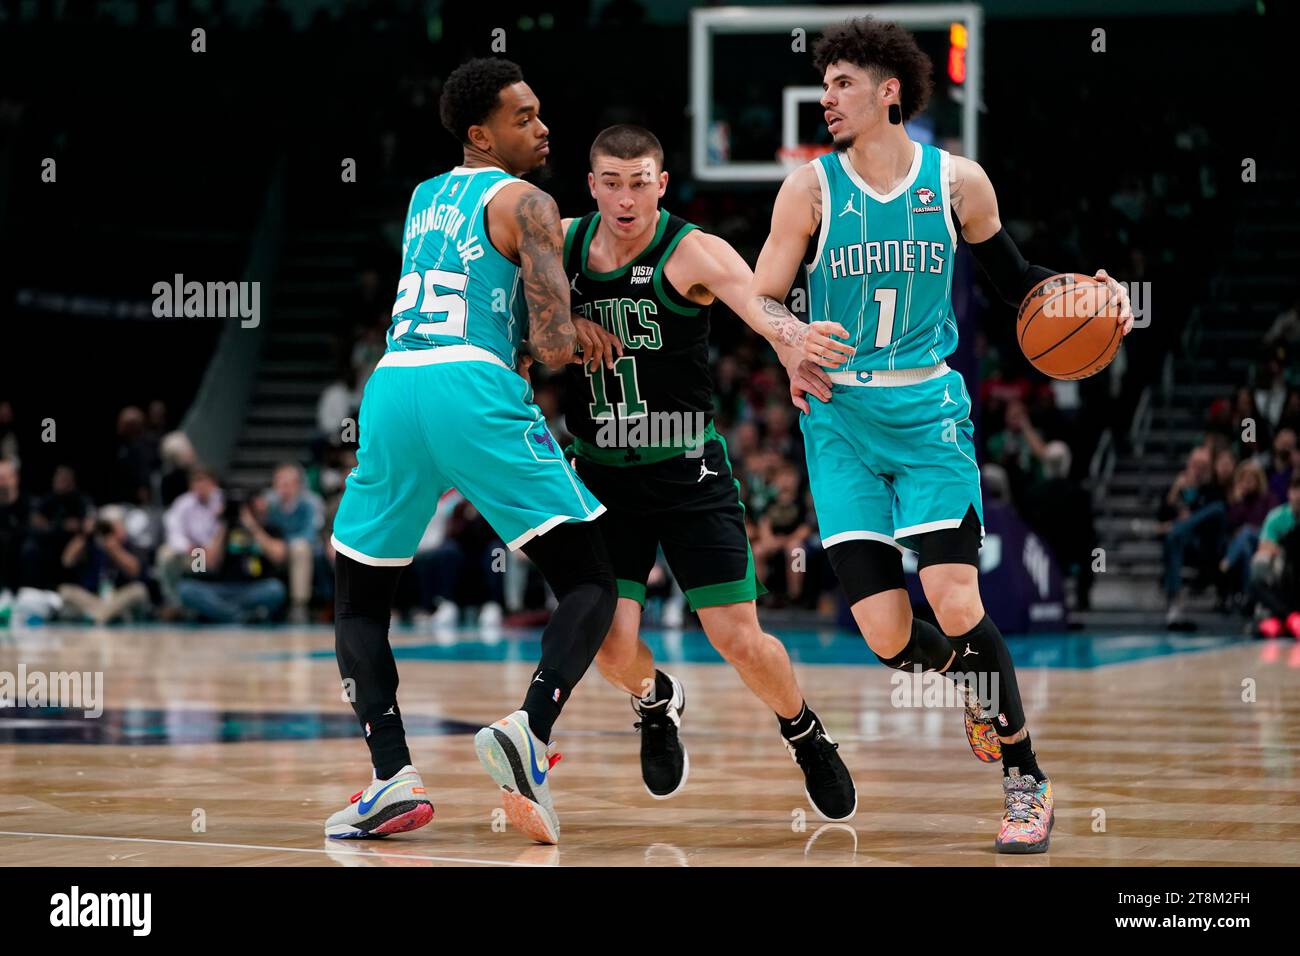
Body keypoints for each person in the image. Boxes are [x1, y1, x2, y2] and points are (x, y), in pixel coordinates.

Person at [747, 17, 1134, 852]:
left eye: (843, 83)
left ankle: (1025, 778)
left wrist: (1089, 296)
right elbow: (761, 294)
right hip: (839, 419)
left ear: (889, 91)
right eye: (824, 85)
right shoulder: (808, 189)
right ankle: (972, 682)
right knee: (888, 637)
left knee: (957, 601)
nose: (827, 99)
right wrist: (789, 336)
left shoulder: (958, 182)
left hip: (927, 412)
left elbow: (1017, 282)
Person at [324, 58, 621, 846]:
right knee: (591, 577)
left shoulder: (424, 196)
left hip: (393, 385)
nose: (543, 128)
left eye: (540, 112)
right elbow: (551, 345)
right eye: (524, 118)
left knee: (358, 598)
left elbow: (477, 292)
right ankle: (530, 727)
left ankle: (392, 777)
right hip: (470, 387)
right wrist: (576, 331)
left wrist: (534, 329)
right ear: (481, 134)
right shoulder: (530, 202)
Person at [558, 125, 854, 817]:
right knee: (610, 646)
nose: (625, 198)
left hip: (687, 469)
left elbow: (756, 304)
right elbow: (510, 307)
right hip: (601, 475)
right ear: (591, 185)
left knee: (737, 639)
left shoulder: (691, 249)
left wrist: (793, 344)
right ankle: (655, 701)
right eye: (611, 183)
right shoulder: (560, 244)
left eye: (639, 183)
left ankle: (804, 731)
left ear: (661, 184)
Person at [176, 491, 287, 623]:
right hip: (221, 587)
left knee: (275, 589)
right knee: (186, 589)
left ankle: (220, 612)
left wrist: (252, 526)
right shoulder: (219, 529)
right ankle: (240, 616)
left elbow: (279, 557)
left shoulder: (268, 528)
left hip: (253, 587)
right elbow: (209, 564)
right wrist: (223, 524)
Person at [262, 462, 325, 623]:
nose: (282, 488)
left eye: (287, 483)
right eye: (278, 483)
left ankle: (299, 605)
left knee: (299, 548)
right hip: (277, 550)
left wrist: (285, 544)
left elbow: (310, 534)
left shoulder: (311, 503)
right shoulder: (269, 503)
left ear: (297, 484)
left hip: (305, 551)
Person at [1251, 473, 1300, 637]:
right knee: (1258, 566)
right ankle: (1289, 617)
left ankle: (1280, 619)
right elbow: (1265, 548)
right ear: (1289, 492)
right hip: (1283, 569)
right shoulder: (1276, 517)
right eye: (1296, 489)